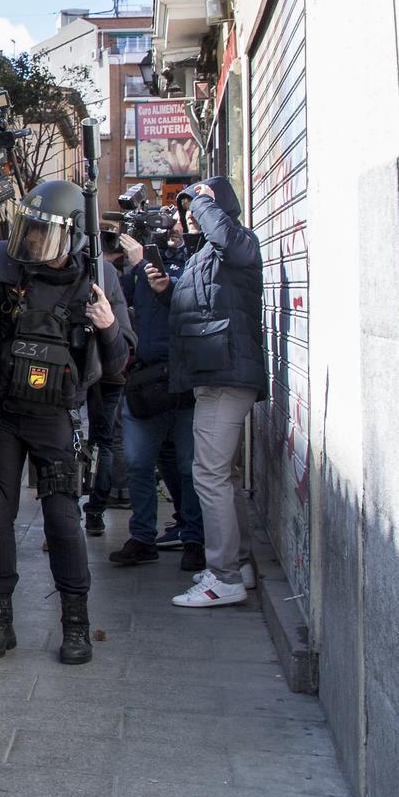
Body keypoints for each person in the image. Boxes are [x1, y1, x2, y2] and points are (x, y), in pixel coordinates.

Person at [0, 180, 133, 665]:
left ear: (72, 235)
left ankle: (76, 624)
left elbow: (119, 363)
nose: (35, 241)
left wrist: (108, 326)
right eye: (30, 229)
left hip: (56, 417)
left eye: (45, 233)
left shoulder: (98, 277)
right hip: (3, 413)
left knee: (62, 521)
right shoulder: (5, 266)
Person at [167, 177, 266, 608]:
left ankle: (222, 577)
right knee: (224, 474)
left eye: (198, 208)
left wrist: (205, 204)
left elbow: (229, 241)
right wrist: (164, 290)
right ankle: (238, 565)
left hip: (227, 377)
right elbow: (202, 305)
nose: (190, 215)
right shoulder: (209, 253)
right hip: (217, 374)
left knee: (208, 475)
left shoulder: (238, 241)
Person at [107, 222, 206, 572]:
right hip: (147, 382)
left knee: (190, 467)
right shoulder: (139, 267)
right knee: (138, 463)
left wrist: (154, 271)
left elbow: (196, 302)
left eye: (180, 225)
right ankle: (143, 538)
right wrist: (123, 264)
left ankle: (194, 539)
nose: (173, 231)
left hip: (185, 379)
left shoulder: (197, 260)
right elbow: (117, 301)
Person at [83, 228, 130, 536]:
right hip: (112, 370)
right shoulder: (115, 272)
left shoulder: (103, 273)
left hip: (106, 369)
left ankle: (93, 510)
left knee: (100, 441)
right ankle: (96, 510)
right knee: (105, 440)